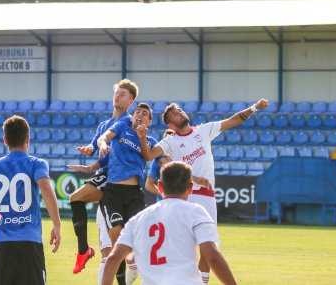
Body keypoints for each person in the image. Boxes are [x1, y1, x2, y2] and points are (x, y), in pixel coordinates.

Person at [137, 99, 269, 284]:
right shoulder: (170, 141)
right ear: (170, 125)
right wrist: (142, 138)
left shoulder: (203, 130)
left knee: (209, 246)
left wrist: (255, 107)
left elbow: (233, 120)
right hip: (185, 196)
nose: (181, 113)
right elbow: (148, 155)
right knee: (185, 245)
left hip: (207, 196)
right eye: (175, 114)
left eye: (180, 110)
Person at [101, 161, 237, 285]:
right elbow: (212, 256)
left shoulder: (138, 219)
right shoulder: (196, 212)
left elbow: (113, 258)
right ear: (190, 187)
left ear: (159, 186)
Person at [0, 115, 61, 285]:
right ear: (27, 138)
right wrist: (56, 224)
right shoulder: (37, 163)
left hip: (2, 246)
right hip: (30, 243)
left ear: (5, 140)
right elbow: (45, 187)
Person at [69, 79, 139, 283]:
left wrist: (100, 153)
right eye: (117, 92)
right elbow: (94, 148)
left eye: (123, 94)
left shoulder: (127, 122)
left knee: (77, 198)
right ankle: (86, 251)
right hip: (107, 178)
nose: (118, 96)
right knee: (113, 242)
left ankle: (84, 250)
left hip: (116, 178)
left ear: (131, 101)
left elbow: (119, 149)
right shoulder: (103, 124)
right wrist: (88, 150)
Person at [97, 103, 159, 283]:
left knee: (136, 233)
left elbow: (151, 157)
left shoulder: (150, 141)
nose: (140, 114)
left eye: (144, 113)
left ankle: (132, 260)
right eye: (137, 111)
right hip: (113, 191)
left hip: (134, 193)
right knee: (116, 231)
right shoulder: (122, 127)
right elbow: (104, 137)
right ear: (132, 116)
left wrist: (142, 136)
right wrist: (102, 144)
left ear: (149, 121)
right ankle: (126, 269)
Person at [144, 129, 174, 202]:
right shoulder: (157, 161)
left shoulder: (184, 158)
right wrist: (164, 193)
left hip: (182, 201)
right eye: (166, 142)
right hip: (163, 202)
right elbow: (148, 185)